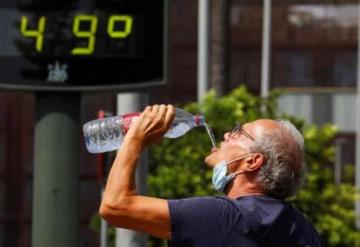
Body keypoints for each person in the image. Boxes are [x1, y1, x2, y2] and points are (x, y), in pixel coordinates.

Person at [99, 104, 322, 246]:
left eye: (238, 132)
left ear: (252, 161)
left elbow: (115, 206)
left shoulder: (223, 216)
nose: (226, 134)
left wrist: (135, 138)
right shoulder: (302, 229)